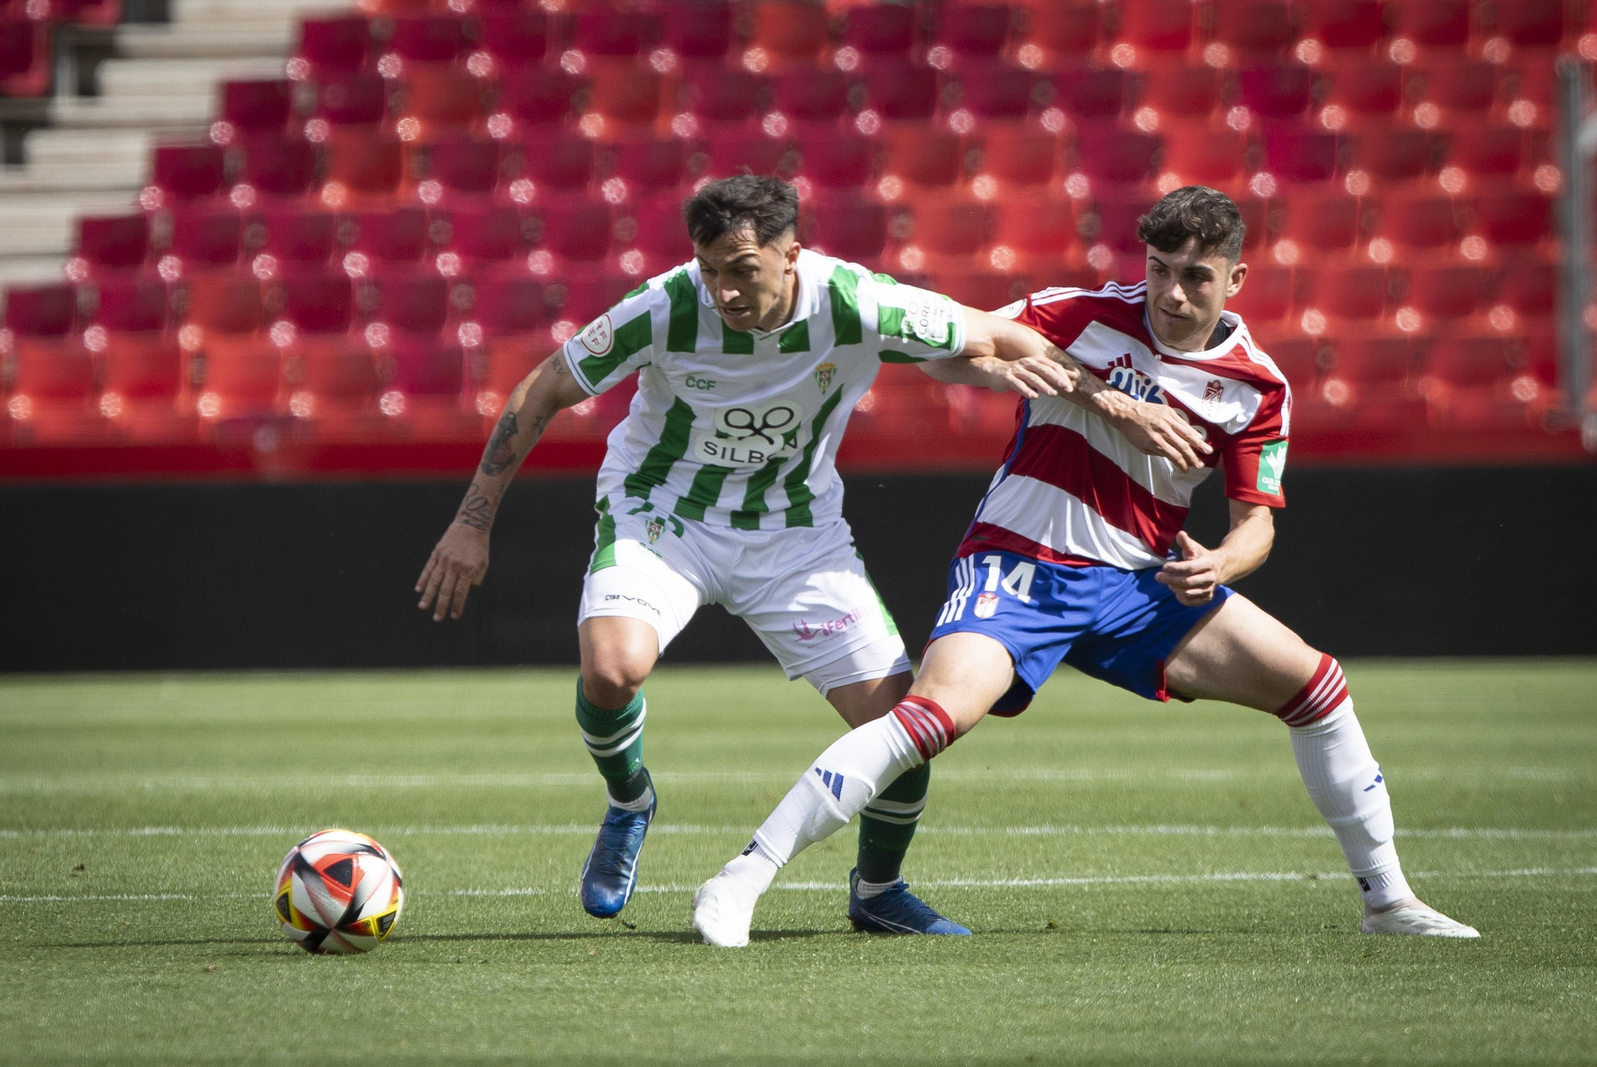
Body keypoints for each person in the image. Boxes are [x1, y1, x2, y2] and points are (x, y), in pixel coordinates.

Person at [691, 185, 1480, 947]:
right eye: (1159, 270)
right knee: (932, 716)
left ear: (1236, 279)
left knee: (1317, 687)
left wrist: (1222, 565)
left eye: (1195, 276)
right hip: (1020, 564)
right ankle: (744, 875)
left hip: (1140, 585)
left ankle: (1388, 899)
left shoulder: (1257, 386)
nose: (1170, 293)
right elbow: (947, 356)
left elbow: (1256, 527)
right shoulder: (1079, 315)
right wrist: (1083, 390)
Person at [414, 176, 1172, 934]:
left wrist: (1118, 406)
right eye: (710, 268)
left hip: (795, 534)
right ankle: (629, 799)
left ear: (791, 256)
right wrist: (471, 522)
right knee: (613, 670)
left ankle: (878, 893)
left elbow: (1004, 338)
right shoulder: (666, 305)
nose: (723, 291)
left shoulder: (858, 301)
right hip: (664, 515)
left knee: (899, 728)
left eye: (742, 270)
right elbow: (543, 386)